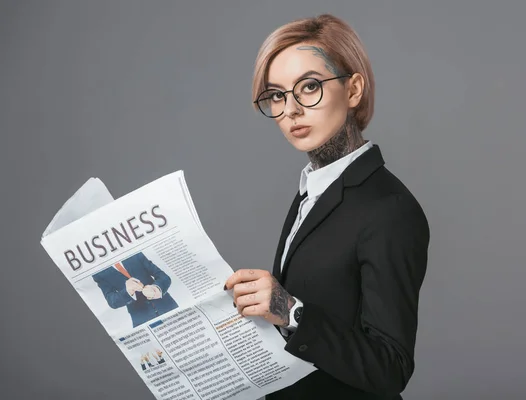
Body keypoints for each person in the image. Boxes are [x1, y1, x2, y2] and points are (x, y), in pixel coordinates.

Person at [223, 14, 429, 399]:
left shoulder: (390, 208)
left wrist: (289, 310)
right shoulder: (311, 191)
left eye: (310, 87)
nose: (291, 110)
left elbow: (391, 367)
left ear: (353, 90)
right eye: (277, 95)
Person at [92, 252, 178, 328]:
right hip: (142, 319)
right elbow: (112, 301)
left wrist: (156, 288)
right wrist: (128, 291)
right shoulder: (99, 273)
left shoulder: (134, 254)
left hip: (169, 307)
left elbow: (164, 277)